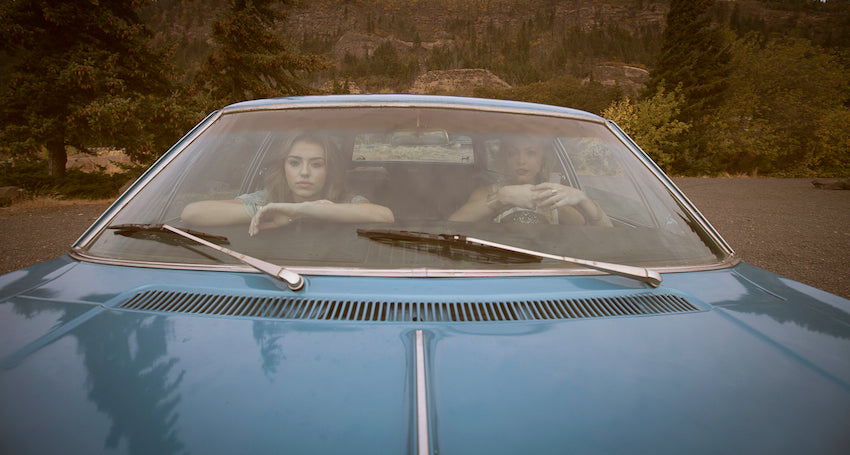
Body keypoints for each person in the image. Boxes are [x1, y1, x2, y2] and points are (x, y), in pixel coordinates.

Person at [181, 132, 394, 235]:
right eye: (294, 163)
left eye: (317, 164)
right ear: (283, 167)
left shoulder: (345, 200)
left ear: (329, 170)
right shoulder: (266, 198)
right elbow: (192, 213)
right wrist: (269, 211)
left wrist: (301, 210)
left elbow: (384, 216)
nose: (304, 172)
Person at [449, 136, 612, 226]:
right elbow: (452, 224)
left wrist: (583, 199)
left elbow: (604, 234)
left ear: (543, 160)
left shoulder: (554, 196)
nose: (521, 160)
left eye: (530, 153)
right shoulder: (488, 192)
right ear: (505, 159)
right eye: (513, 153)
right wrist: (501, 198)